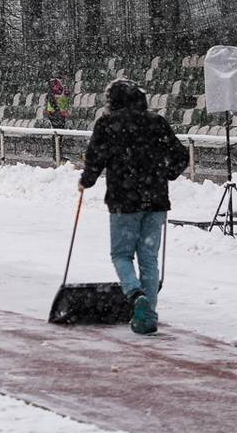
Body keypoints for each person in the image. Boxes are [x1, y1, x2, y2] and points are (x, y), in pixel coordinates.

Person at [79, 78, 189, 336]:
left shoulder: (107, 124)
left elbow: (95, 158)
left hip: (123, 201)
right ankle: (148, 314)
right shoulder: (156, 122)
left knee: (121, 254)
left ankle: (135, 294)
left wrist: (86, 181)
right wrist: (166, 173)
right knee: (149, 259)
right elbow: (181, 156)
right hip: (156, 200)